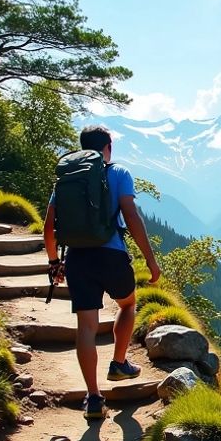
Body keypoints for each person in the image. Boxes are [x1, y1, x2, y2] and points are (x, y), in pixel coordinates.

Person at [44, 125, 161, 420]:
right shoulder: (118, 173)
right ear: (108, 146)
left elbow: (49, 226)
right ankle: (119, 363)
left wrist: (54, 262)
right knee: (128, 304)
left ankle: (93, 398)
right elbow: (131, 216)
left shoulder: (67, 179)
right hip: (111, 255)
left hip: (77, 259)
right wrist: (150, 259)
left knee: (86, 327)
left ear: (83, 146)